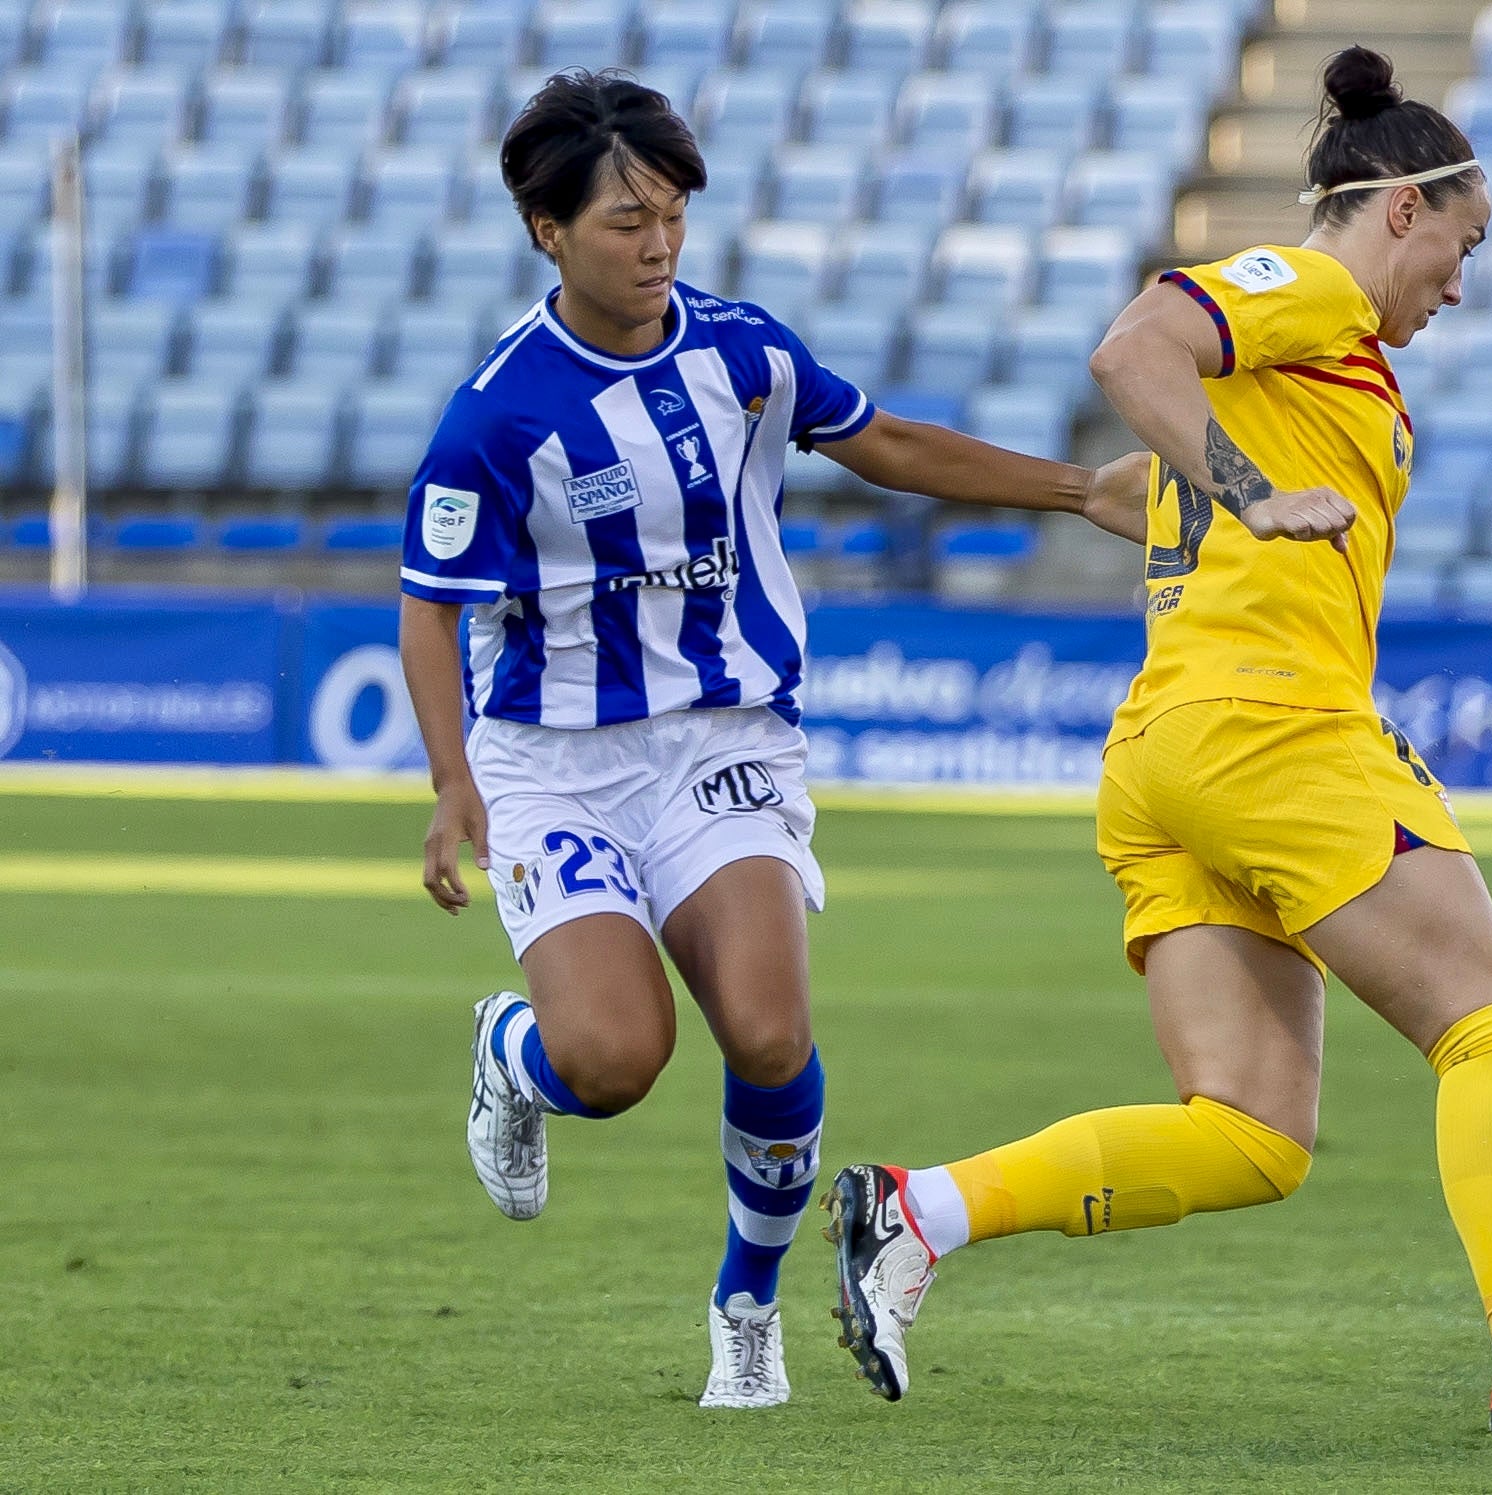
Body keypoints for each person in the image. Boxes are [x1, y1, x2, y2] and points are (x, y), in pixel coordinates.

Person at [823, 48, 1492, 1439]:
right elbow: (1131, 346)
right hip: (1270, 730)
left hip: (1166, 752)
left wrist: (1153, 489)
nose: (1456, 284)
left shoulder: (1313, 361)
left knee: (1248, 1130)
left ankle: (918, 1210)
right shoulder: (1308, 286)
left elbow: (1152, 454)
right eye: (1459, 246)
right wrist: (1244, 491)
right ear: (1398, 208)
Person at [397, 70, 1146, 1410]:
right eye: (625, 219)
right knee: (615, 1061)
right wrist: (452, 779)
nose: (657, 242)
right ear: (547, 231)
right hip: (555, 761)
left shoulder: (742, 352)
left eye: (672, 212)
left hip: (724, 736)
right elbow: (427, 607)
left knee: (766, 1027)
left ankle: (746, 1307)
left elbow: (889, 442)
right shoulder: (497, 417)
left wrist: (1079, 486)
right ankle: (515, 1056)